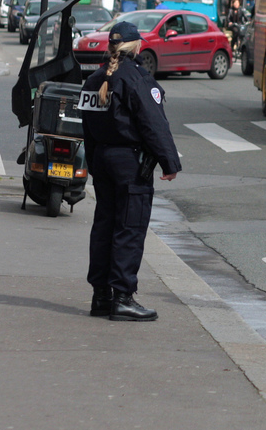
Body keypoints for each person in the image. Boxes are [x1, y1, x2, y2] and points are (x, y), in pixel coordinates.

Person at [79, 21, 182, 322]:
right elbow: (154, 125)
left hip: (103, 160)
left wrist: (95, 160)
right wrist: (169, 163)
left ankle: (101, 297)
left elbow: (87, 126)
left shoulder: (94, 80)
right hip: (130, 164)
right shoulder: (137, 79)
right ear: (136, 46)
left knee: (104, 227)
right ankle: (123, 298)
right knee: (129, 229)